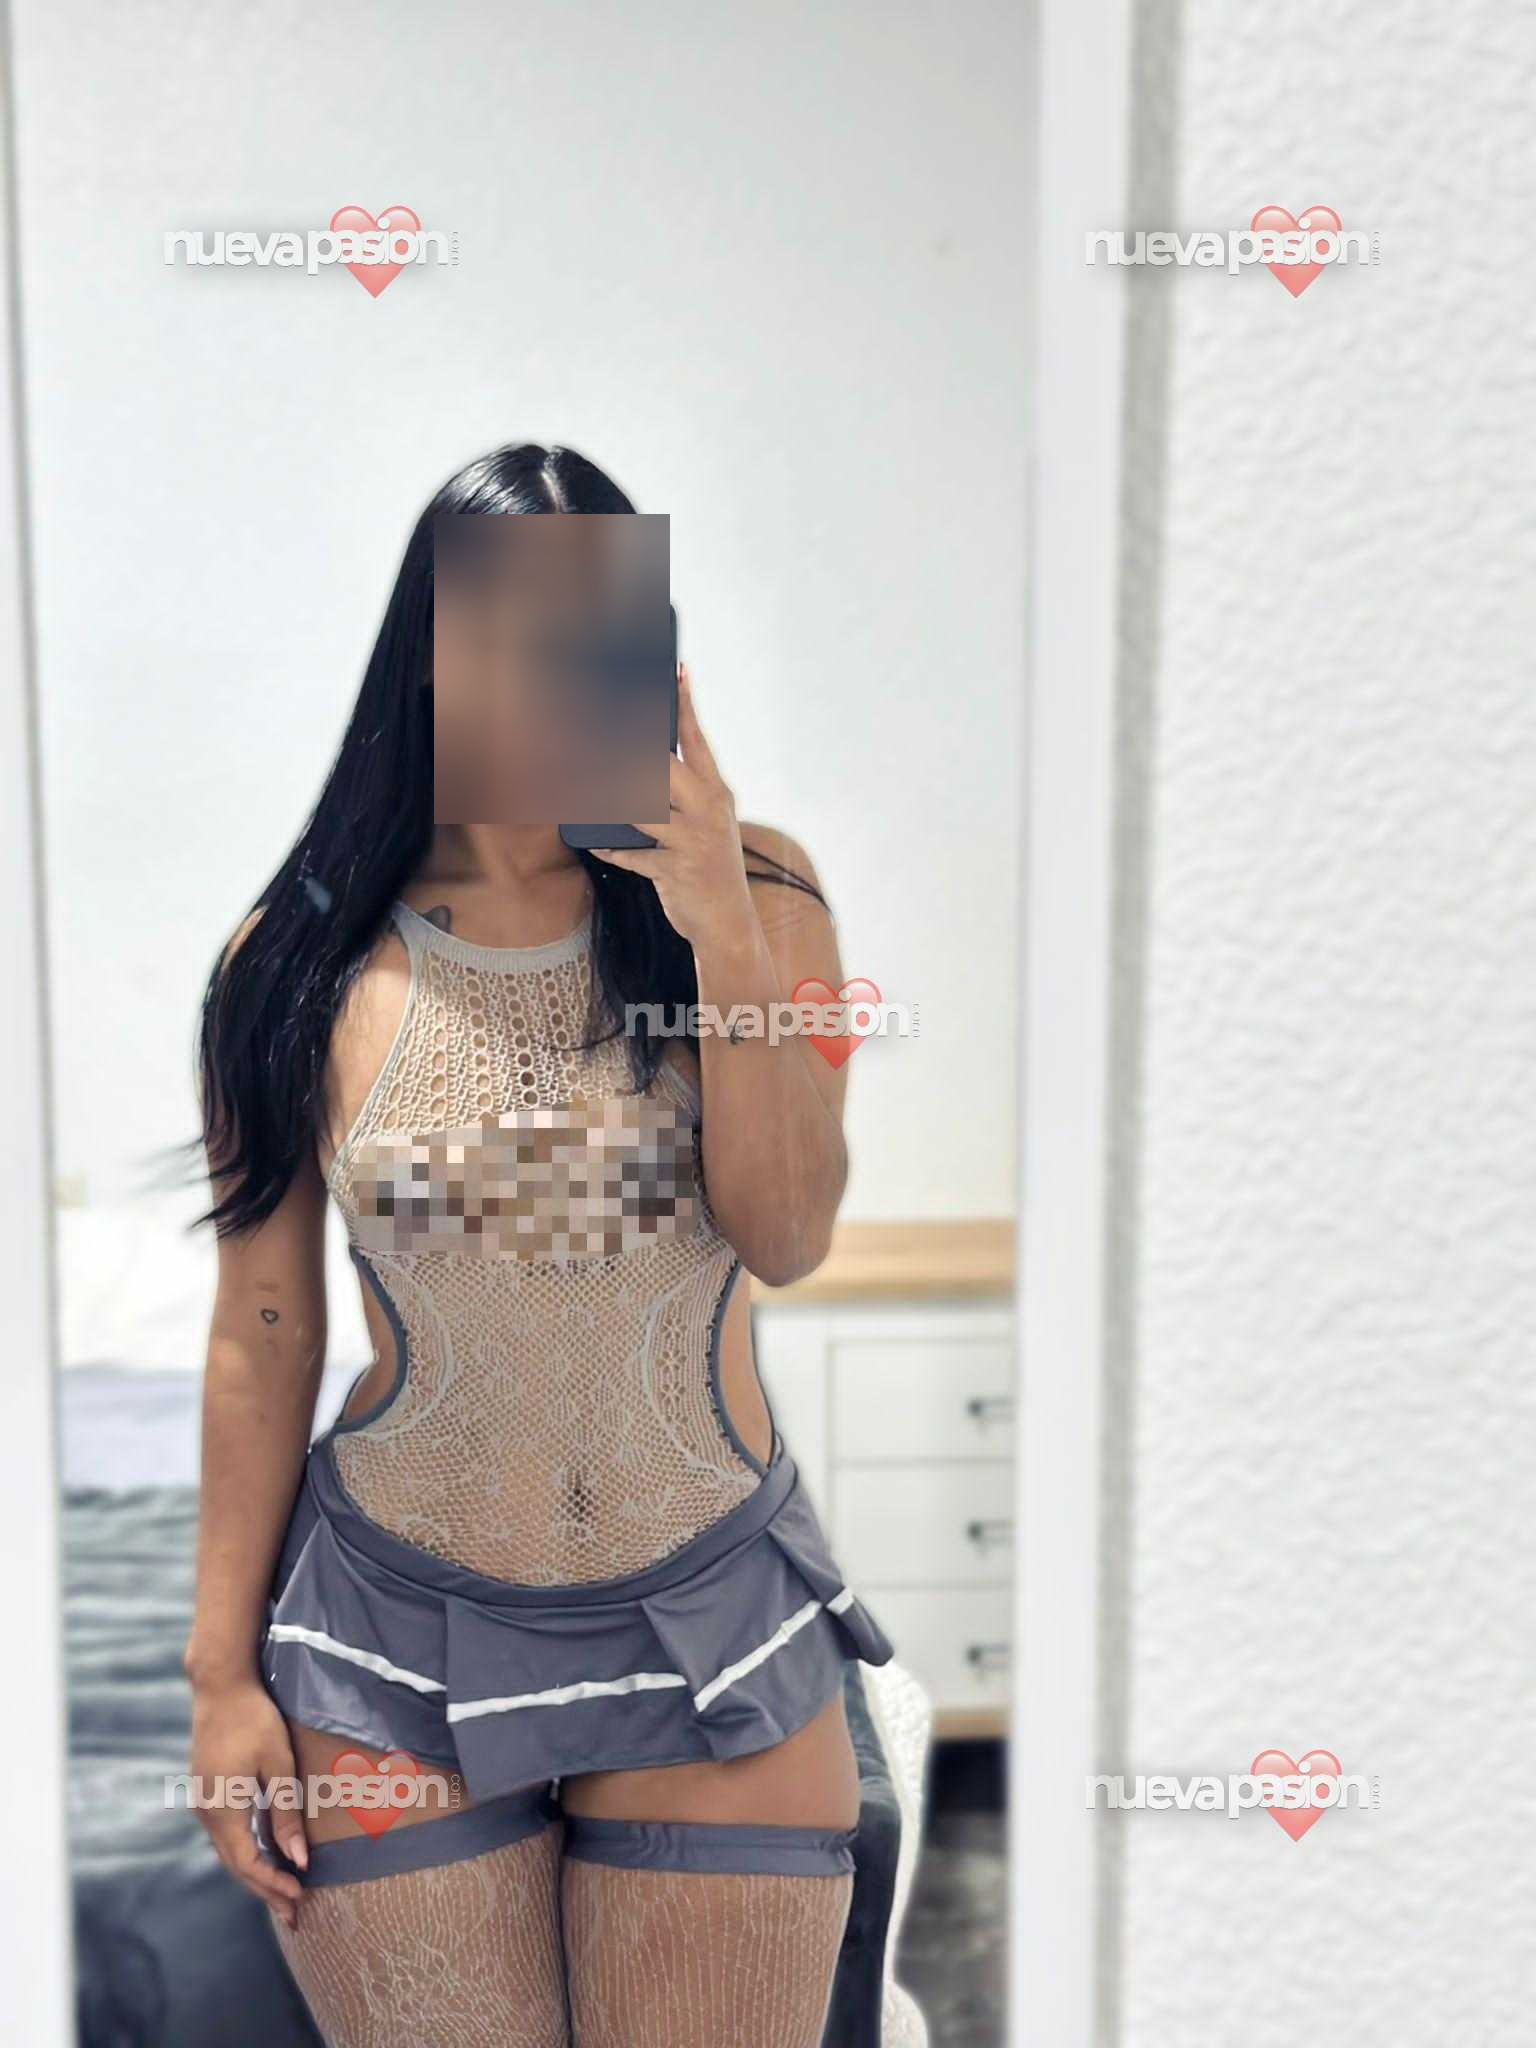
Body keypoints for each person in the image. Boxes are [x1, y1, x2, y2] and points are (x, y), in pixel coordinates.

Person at [183, 442, 894, 2046]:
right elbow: (264, 1327)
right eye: (507, 637)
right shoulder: (291, 959)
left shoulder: (766, 895)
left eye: (594, 636)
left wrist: (717, 921)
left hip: (711, 1612)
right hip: (387, 1638)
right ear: (427, 650)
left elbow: (787, 1233)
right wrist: (218, 1680)